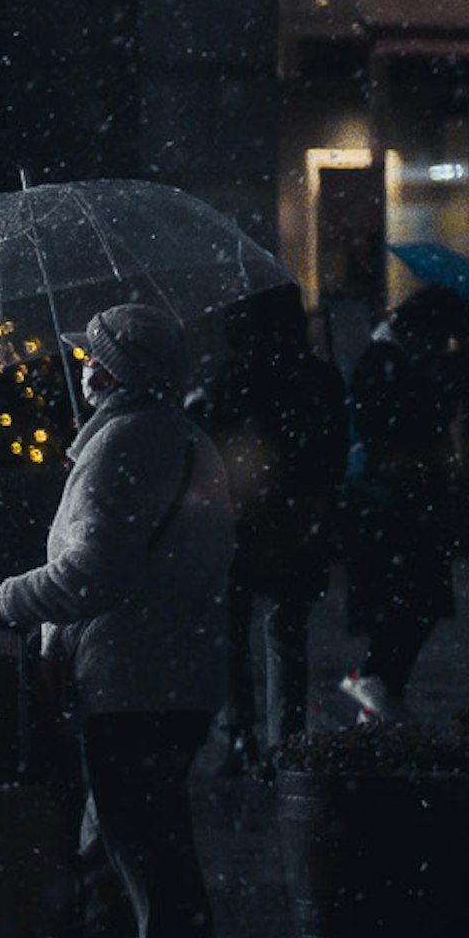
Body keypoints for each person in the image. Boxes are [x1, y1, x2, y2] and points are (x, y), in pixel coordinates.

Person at [0, 302, 240, 938]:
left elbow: (96, 570)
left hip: (133, 678)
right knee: (115, 840)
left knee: (145, 848)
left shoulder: (124, 446)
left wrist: (8, 600)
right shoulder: (184, 439)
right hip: (178, 672)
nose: (83, 366)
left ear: (113, 371)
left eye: (94, 356)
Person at [184, 290, 348, 774]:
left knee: (233, 628)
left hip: (241, 516)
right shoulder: (318, 377)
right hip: (298, 516)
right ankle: (286, 738)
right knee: (286, 629)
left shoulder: (228, 376)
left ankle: (240, 732)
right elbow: (333, 449)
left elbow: (210, 440)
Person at [336, 284, 469, 722]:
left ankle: (377, 696)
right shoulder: (385, 364)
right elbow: (390, 442)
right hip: (391, 513)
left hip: (396, 513)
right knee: (406, 610)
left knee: (408, 611)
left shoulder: (393, 360)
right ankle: (375, 694)